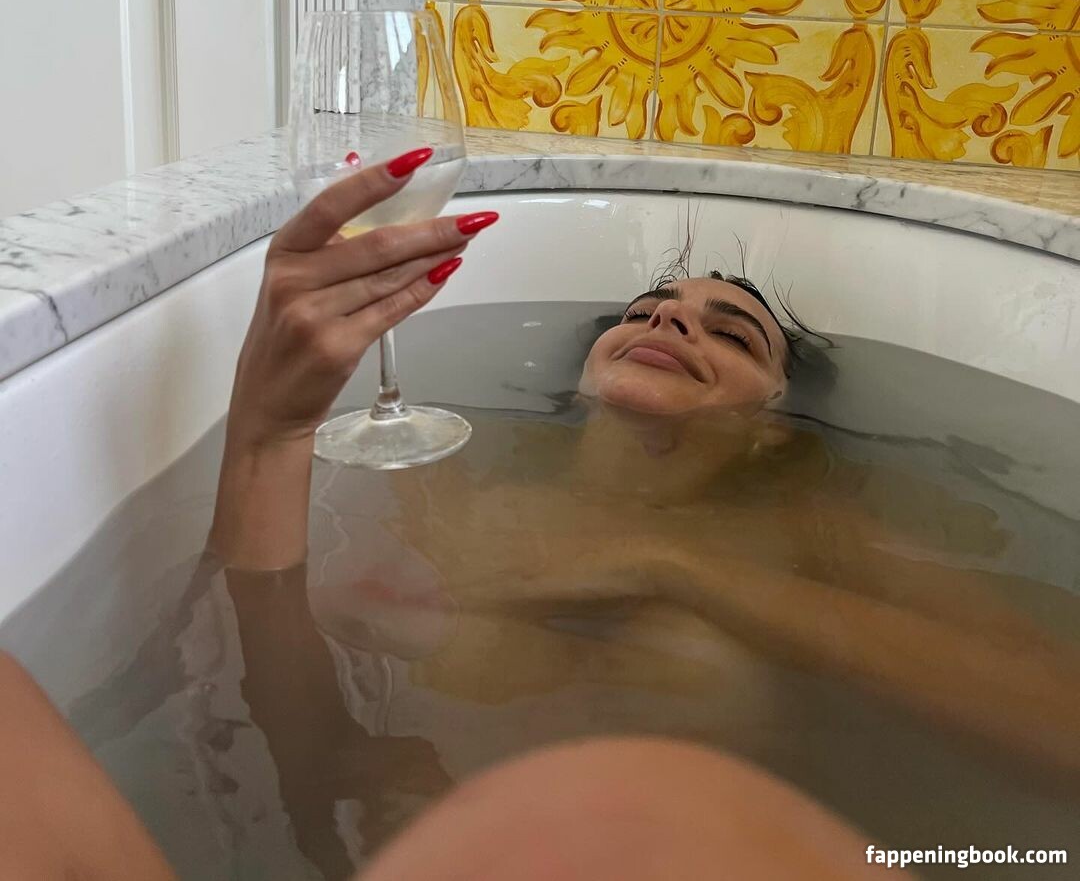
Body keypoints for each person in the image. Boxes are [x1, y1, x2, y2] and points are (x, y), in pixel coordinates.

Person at [3, 150, 1079, 878]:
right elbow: (304, 743)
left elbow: (1057, 724)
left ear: (773, 430)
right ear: (582, 377)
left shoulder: (817, 531)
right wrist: (271, 432)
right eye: (649, 310)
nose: (672, 321)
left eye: (732, 333)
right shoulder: (448, 479)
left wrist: (670, 563)